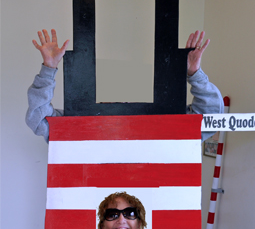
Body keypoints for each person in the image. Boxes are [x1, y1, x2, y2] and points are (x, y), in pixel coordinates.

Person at [26, 29, 223, 143]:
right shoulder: (84, 124)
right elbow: (38, 119)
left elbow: (211, 119)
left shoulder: (161, 125)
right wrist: (48, 69)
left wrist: (195, 74)